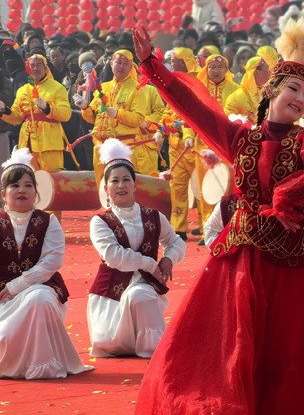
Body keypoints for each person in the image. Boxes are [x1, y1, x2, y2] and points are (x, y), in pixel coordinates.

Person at [129, 20, 304, 415]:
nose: (300, 100)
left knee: (275, 357)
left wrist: (286, 196)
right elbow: (194, 108)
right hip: (241, 260)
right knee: (222, 352)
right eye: (293, 89)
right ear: (272, 90)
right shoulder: (240, 138)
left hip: (288, 266)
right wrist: (153, 66)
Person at [87, 139, 185, 358]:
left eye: (126, 180)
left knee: (142, 295)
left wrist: (169, 258)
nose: (121, 186)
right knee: (114, 342)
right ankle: (150, 347)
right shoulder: (100, 221)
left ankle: (155, 350)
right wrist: (151, 264)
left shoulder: (153, 216)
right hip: (111, 293)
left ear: (134, 184)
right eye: (115, 181)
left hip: (143, 285)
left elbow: (176, 242)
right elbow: (113, 257)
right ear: (106, 188)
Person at [0, 148, 92, 379]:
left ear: (36, 193)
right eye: (15, 185)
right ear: (4, 194)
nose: (22, 190)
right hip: (2, 295)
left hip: (42, 287)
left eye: (28, 185)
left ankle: (42, 365)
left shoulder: (49, 221)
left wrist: (16, 285)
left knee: (38, 299)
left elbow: (52, 261)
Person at [182, 54, 239, 239]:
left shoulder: (236, 90)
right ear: (206, 69)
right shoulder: (198, 90)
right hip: (203, 146)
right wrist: (189, 136)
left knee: (227, 188)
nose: (216, 71)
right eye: (212, 67)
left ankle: (231, 226)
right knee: (206, 190)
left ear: (226, 70)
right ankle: (210, 231)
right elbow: (189, 116)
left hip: (227, 147)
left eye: (220, 68)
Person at [76, 50, 152, 187]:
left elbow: (139, 119)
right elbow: (92, 117)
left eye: (125, 64)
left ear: (131, 67)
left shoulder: (137, 88)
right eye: (118, 63)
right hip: (100, 144)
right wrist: (85, 107)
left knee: (121, 187)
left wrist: (118, 114)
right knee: (103, 187)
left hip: (124, 145)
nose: (121, 67)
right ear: (111, 64)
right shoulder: (103, 87)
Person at [0, 54, 71, 173]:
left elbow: (66, 114)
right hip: (27, 143)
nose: (35, 68)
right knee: (28, 178)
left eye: (39, 65)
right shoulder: (23, 90)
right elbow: (17, 118)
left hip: (49, 143)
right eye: (31, 65)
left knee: (50, 179)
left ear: (45, 68)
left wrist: (48, 108)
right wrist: (4, 111)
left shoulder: (57, 87)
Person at [160, 48, 200, 239]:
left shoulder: (198, 83)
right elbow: (169, 111)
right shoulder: (173, 83)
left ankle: (205, 225)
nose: (172, 63)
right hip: (176, 145)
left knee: (199, 187)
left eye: (174, 60)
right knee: (177, 187)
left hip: (196, 145)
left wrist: (189, 132)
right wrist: (163, 126)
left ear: (184, 62)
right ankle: (179, 227)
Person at [224, 56, 271, 124]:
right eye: (267, 69)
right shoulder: (236, 98)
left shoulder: (272, 93)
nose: (270, 72)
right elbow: (231, 125)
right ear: (257, 72)